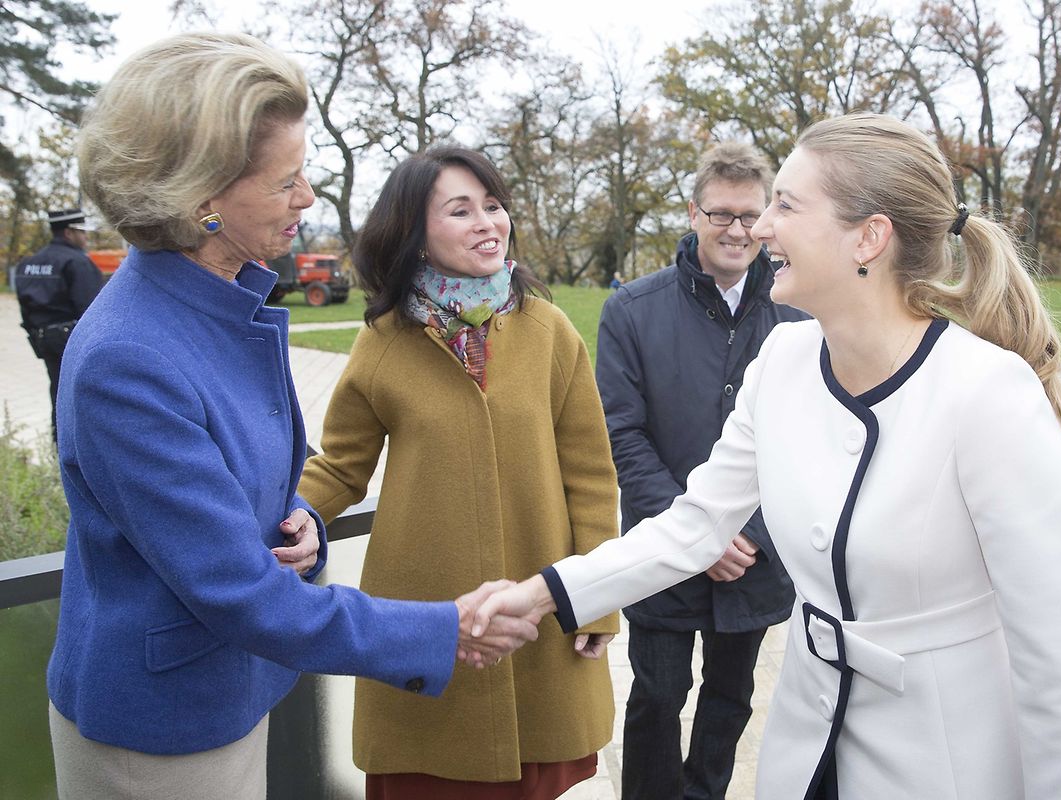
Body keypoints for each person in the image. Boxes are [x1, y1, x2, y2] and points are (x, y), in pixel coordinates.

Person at [473, 113, 1061, 799]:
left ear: (868, 236)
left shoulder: (987, 393)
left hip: (944, 760)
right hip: (807, 745)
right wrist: (539, 595)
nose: (760, 226)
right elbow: (694, 526)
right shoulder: (783, 359)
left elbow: (1058, 663)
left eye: (785, 204)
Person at [47, 33, 534, 800]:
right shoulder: (129, 358)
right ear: (201, 199)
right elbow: (238, 592)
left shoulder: (215, 302)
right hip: (164, 732)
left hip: (234, 687)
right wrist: (445, 629)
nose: (307, 199)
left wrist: (297, 515)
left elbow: (238, 488)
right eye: (286, 183)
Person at [298, 145, 619, 799]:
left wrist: (597, 599)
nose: (487, 223)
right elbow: (340, 465)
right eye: (461, 209)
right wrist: (299, 515)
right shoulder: (383, 340)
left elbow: (590, 474)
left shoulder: (550, 330)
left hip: (538, 614)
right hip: (427, 625)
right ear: (415, 235)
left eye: (493, 206)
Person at [596, 141, 805, 800]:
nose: (737, 231)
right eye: (720, 215)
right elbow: (621, 434)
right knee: (657, 699)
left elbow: (813, 440)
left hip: (756, 554)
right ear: (692, 212)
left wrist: (750, 534)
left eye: (750, 215)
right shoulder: (632, 310)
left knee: (729, 701)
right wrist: (699, 532)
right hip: (663, 546)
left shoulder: (800, 311)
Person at [14, 208, 104, 439]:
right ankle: (77, 446)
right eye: (82, 232)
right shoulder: (77, 262)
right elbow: (93, 310)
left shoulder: (29, 263)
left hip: (45, 341)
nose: (85, 238)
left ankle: (58, 441)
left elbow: (26, 309)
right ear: (68, 232)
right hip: (72, 340)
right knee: (83, 398)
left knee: (57, 390)